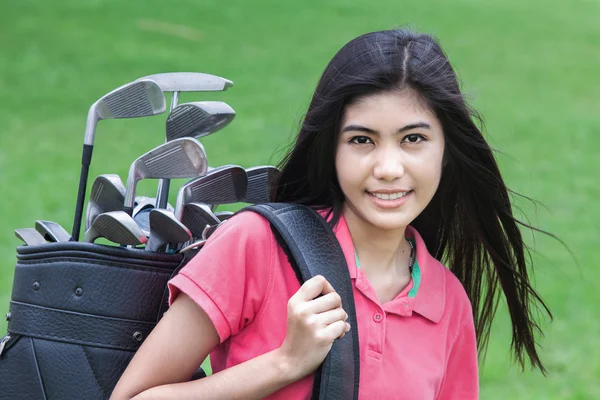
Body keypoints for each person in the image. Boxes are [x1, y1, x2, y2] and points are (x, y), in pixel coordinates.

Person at [111, 28, 551, 400]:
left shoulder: (447, 301)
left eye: (413, 139)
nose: (388, 168)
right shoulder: (258, 244)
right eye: (362, 140)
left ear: (446, 151)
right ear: (331, 149)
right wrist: (285, 363)